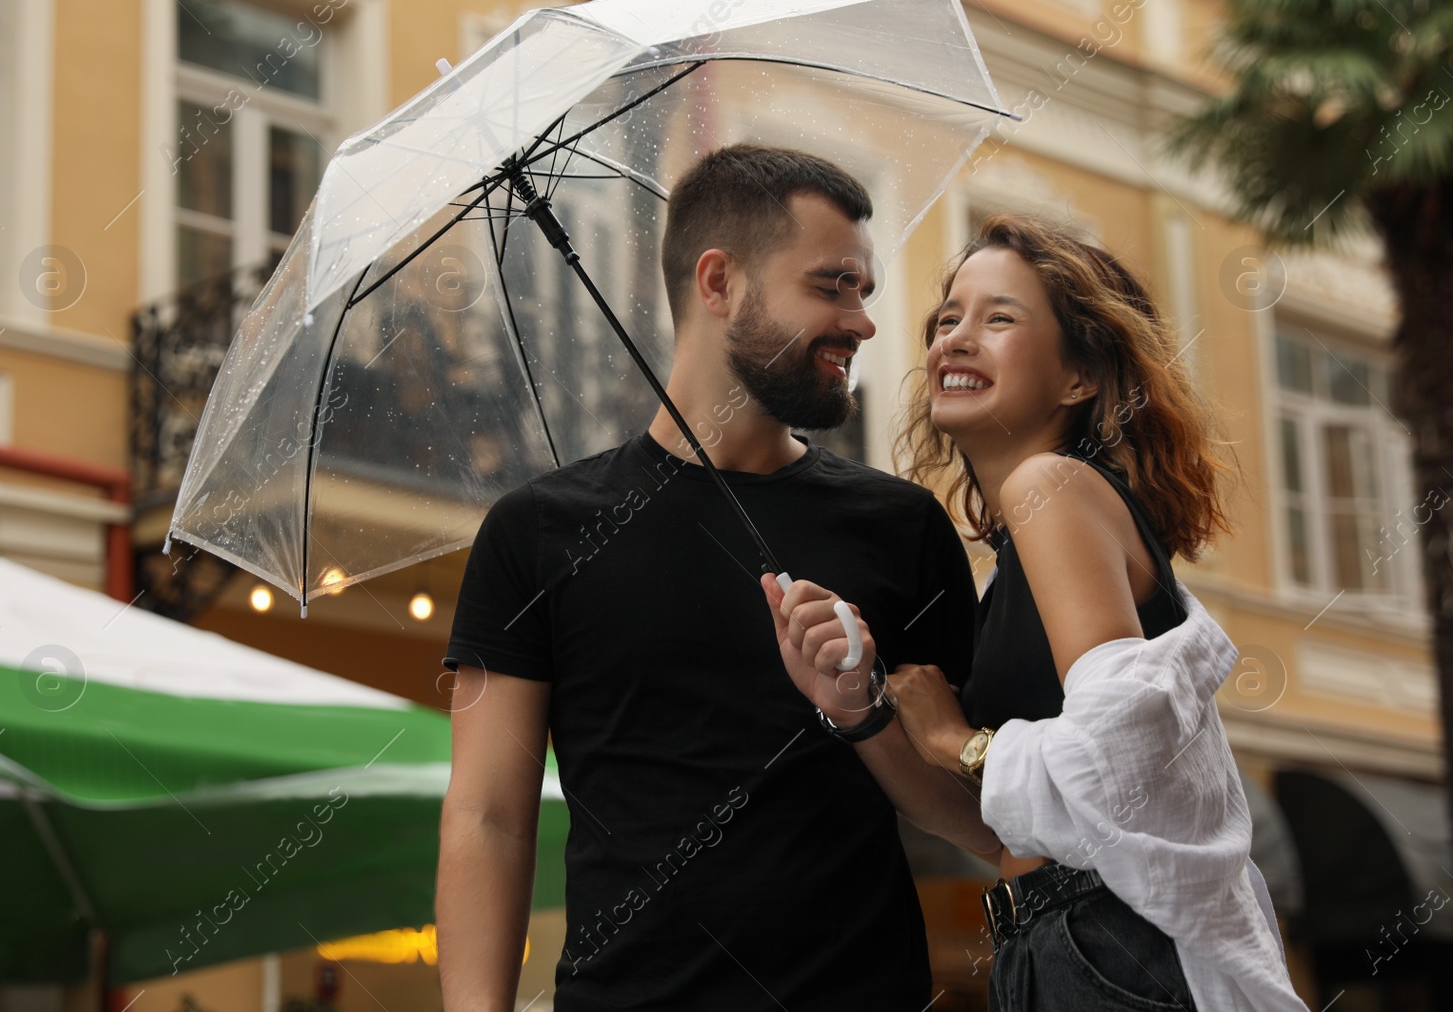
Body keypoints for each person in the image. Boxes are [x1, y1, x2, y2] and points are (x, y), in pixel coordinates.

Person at [436, 144, 1002, 1011]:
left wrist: (864, 712)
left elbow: (982, 819)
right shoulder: (537, 530)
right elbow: (488, 815)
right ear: (718, 282)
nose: (863, 322)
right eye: (832, 285)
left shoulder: (903, 528)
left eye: (864, 291)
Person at [767, 214, 1305, 1010]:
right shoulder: (1031, 542)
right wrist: (861, 712)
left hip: (1107, 941)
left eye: (999, 318)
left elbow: (1118, 764)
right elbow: (991, 831)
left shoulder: (1048, 487)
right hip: (1059, 944)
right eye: (947, 318)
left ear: (1079, 376)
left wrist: (958, 738)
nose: (955, 337)